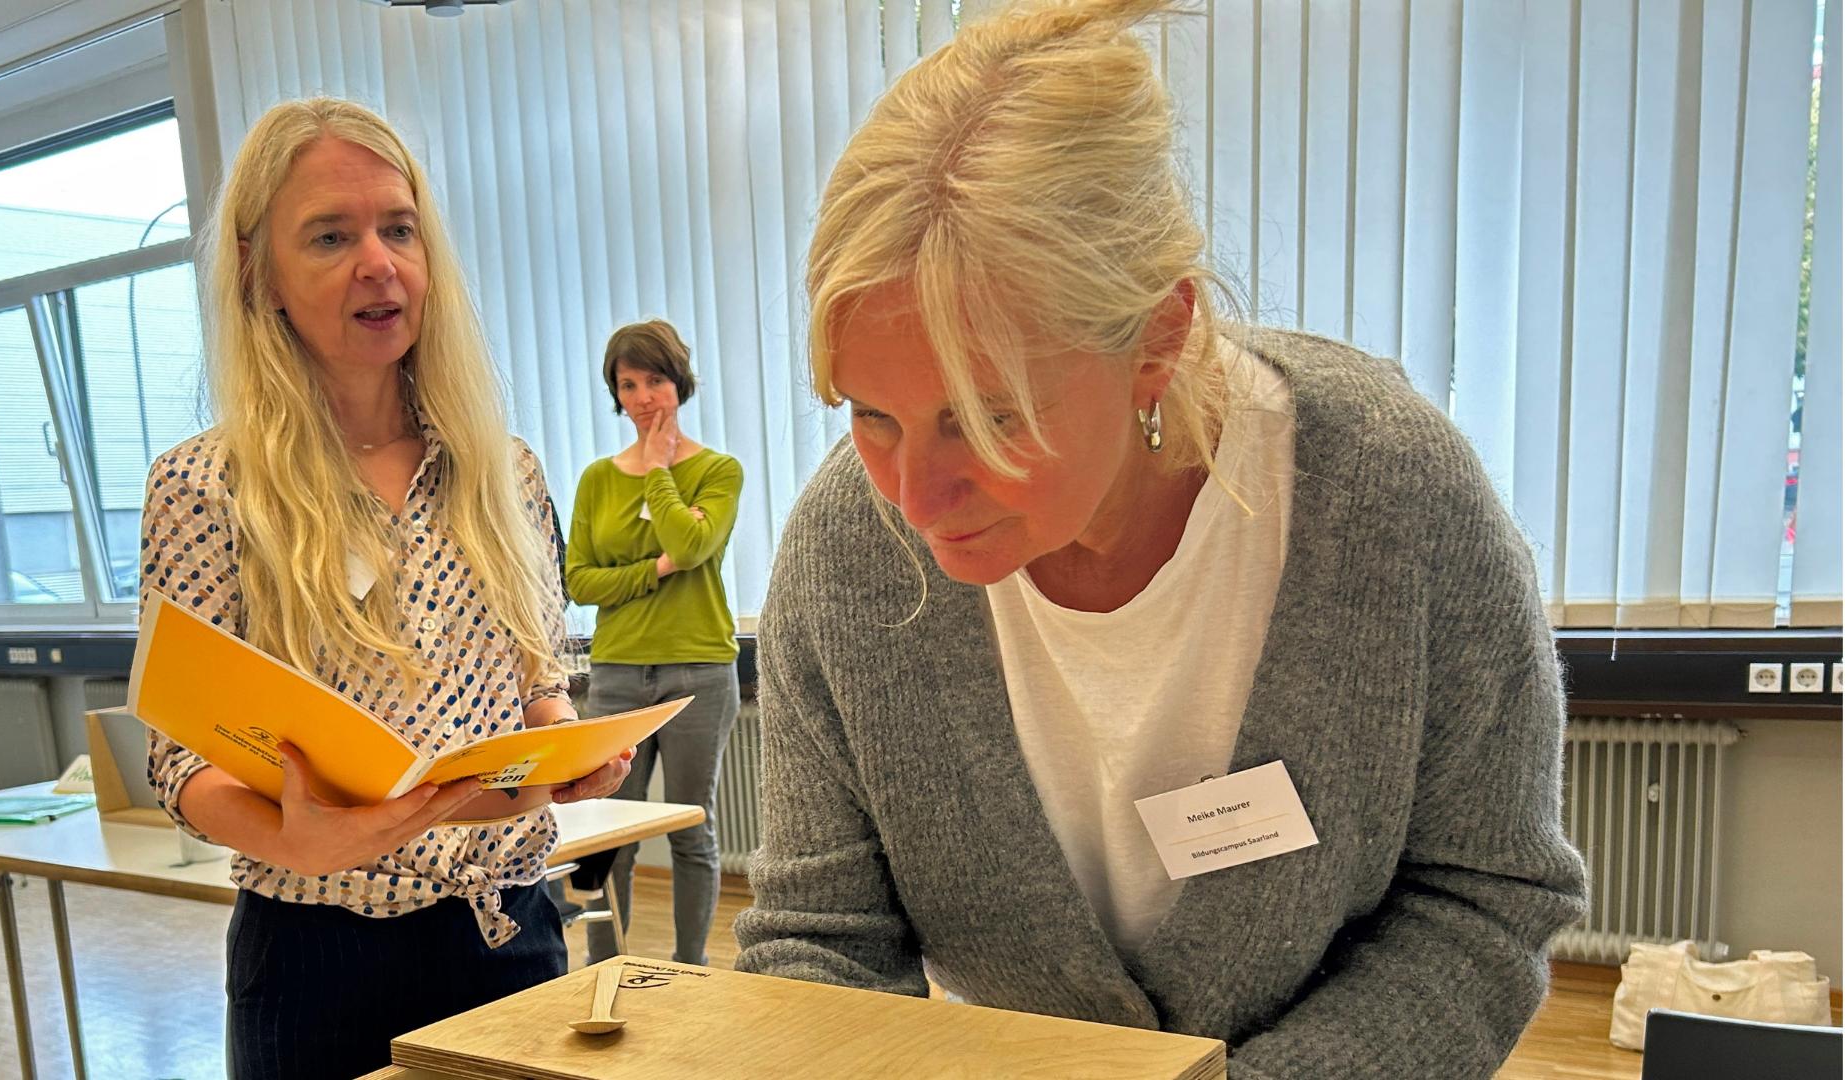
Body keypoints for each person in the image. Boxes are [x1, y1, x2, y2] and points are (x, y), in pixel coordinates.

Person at [731, 3, 1588, 1077]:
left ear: (1161, 336)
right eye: (869, 415)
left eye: (989, 417)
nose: (913, 494)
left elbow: (1481, 899)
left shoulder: (1389, 496)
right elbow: (820, 941)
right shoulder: (843, 560)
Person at [140, 97, 631, 1080]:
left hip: (506, 927)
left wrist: (568, 749)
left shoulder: (506, 472)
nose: (379, 264)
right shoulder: (206, 487)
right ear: (260, 274)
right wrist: (294, 837)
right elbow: (178, 760)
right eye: (330, 236)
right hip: (314, 949)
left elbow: (540, 679)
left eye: (398, 228)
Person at [564, 320, 743, 966]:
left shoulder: (719, 472)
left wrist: (661, 472)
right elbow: (579, 579)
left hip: (700, 670)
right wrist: (658, 570)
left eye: (656, 380)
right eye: (629, 383)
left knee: (693, 829)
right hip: (616, 676)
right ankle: (608, 969)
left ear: (679, 383)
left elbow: (695, 543)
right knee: (612, 835)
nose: (643, 397)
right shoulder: (595, 481)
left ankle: (692, 969)